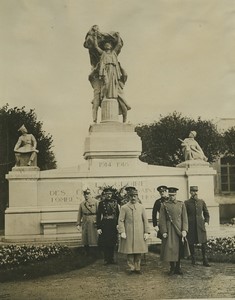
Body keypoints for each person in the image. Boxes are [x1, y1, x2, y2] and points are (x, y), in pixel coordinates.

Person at [84, 25, 131, 123]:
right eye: (105, 44)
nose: (107, 45)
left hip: (113, 72)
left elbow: (118, 45)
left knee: (114, 90)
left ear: (111, 46)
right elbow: (96, 46)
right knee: (105, 86)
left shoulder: (114, 53)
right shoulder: (103, 53)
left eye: (109, 44)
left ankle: (123, 114)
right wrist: (96, 37)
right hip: (105, 72)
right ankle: (104, 96)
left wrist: (118, 36)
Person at [118, 187, 150, 274]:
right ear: (128, 197)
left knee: (138, 251)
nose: (133, 198)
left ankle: (138, 267)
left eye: (135, 196)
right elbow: (121, 220)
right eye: (131, 196)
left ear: (137, 196)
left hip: (139, 232)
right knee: (130, 251)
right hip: (129, 232)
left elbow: (145, 220)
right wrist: (122, 231)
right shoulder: (124, 207)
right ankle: (131, 267)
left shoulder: (141, 207)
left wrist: (146, 232)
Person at [159, 187, 190, 275]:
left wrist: (184, 230)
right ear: (168, 195)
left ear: (176, 195)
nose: (172, 197)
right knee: (170, 249)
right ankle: (172, 267)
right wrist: (164, 231)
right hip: (169, 229)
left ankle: (178, 267)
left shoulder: (181, 204)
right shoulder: (164, 205)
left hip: (179, 229)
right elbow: (162, 219)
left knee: (179, 248)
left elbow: (185, 218)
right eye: (170, 195)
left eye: (173, 195)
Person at [184, 186, 210, 267]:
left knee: (203, 242)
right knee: (191, 242)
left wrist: (206, 222)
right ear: (190, 192)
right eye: (192, 191)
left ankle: (205, 259)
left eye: (195, 191)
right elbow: (184, 215)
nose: (194, 193)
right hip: (191, 225)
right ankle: (193, 259)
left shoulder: (201, 202)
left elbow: (206, 213)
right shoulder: (187, 202)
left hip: (200, 225)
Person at [96, 187, 120, 265]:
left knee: (113, 241)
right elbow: (99, 215)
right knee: (106, 242)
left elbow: (118, 214)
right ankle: (106, 259)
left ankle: (112, 258)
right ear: (105, 195)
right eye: (107, 194)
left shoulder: (115, 202)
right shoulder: (101, 203)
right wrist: (98, 227)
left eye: (110, 194)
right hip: (105, 223)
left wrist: (118, 224)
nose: (109, 195)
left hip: (113, 223)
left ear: (112, 194)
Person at [76, 188, 99, 255]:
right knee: (85, 237)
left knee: (94, 237)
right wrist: (78, 223)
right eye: (85, 194)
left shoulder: (96, 202)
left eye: (88, 194)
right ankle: (87, 252)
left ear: (91, 194)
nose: (86, 195)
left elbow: (99, 213)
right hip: (85, 221)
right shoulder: (82, 204)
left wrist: (98, 222)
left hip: (93, 221)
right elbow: (79, 214)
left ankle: (95, 253)